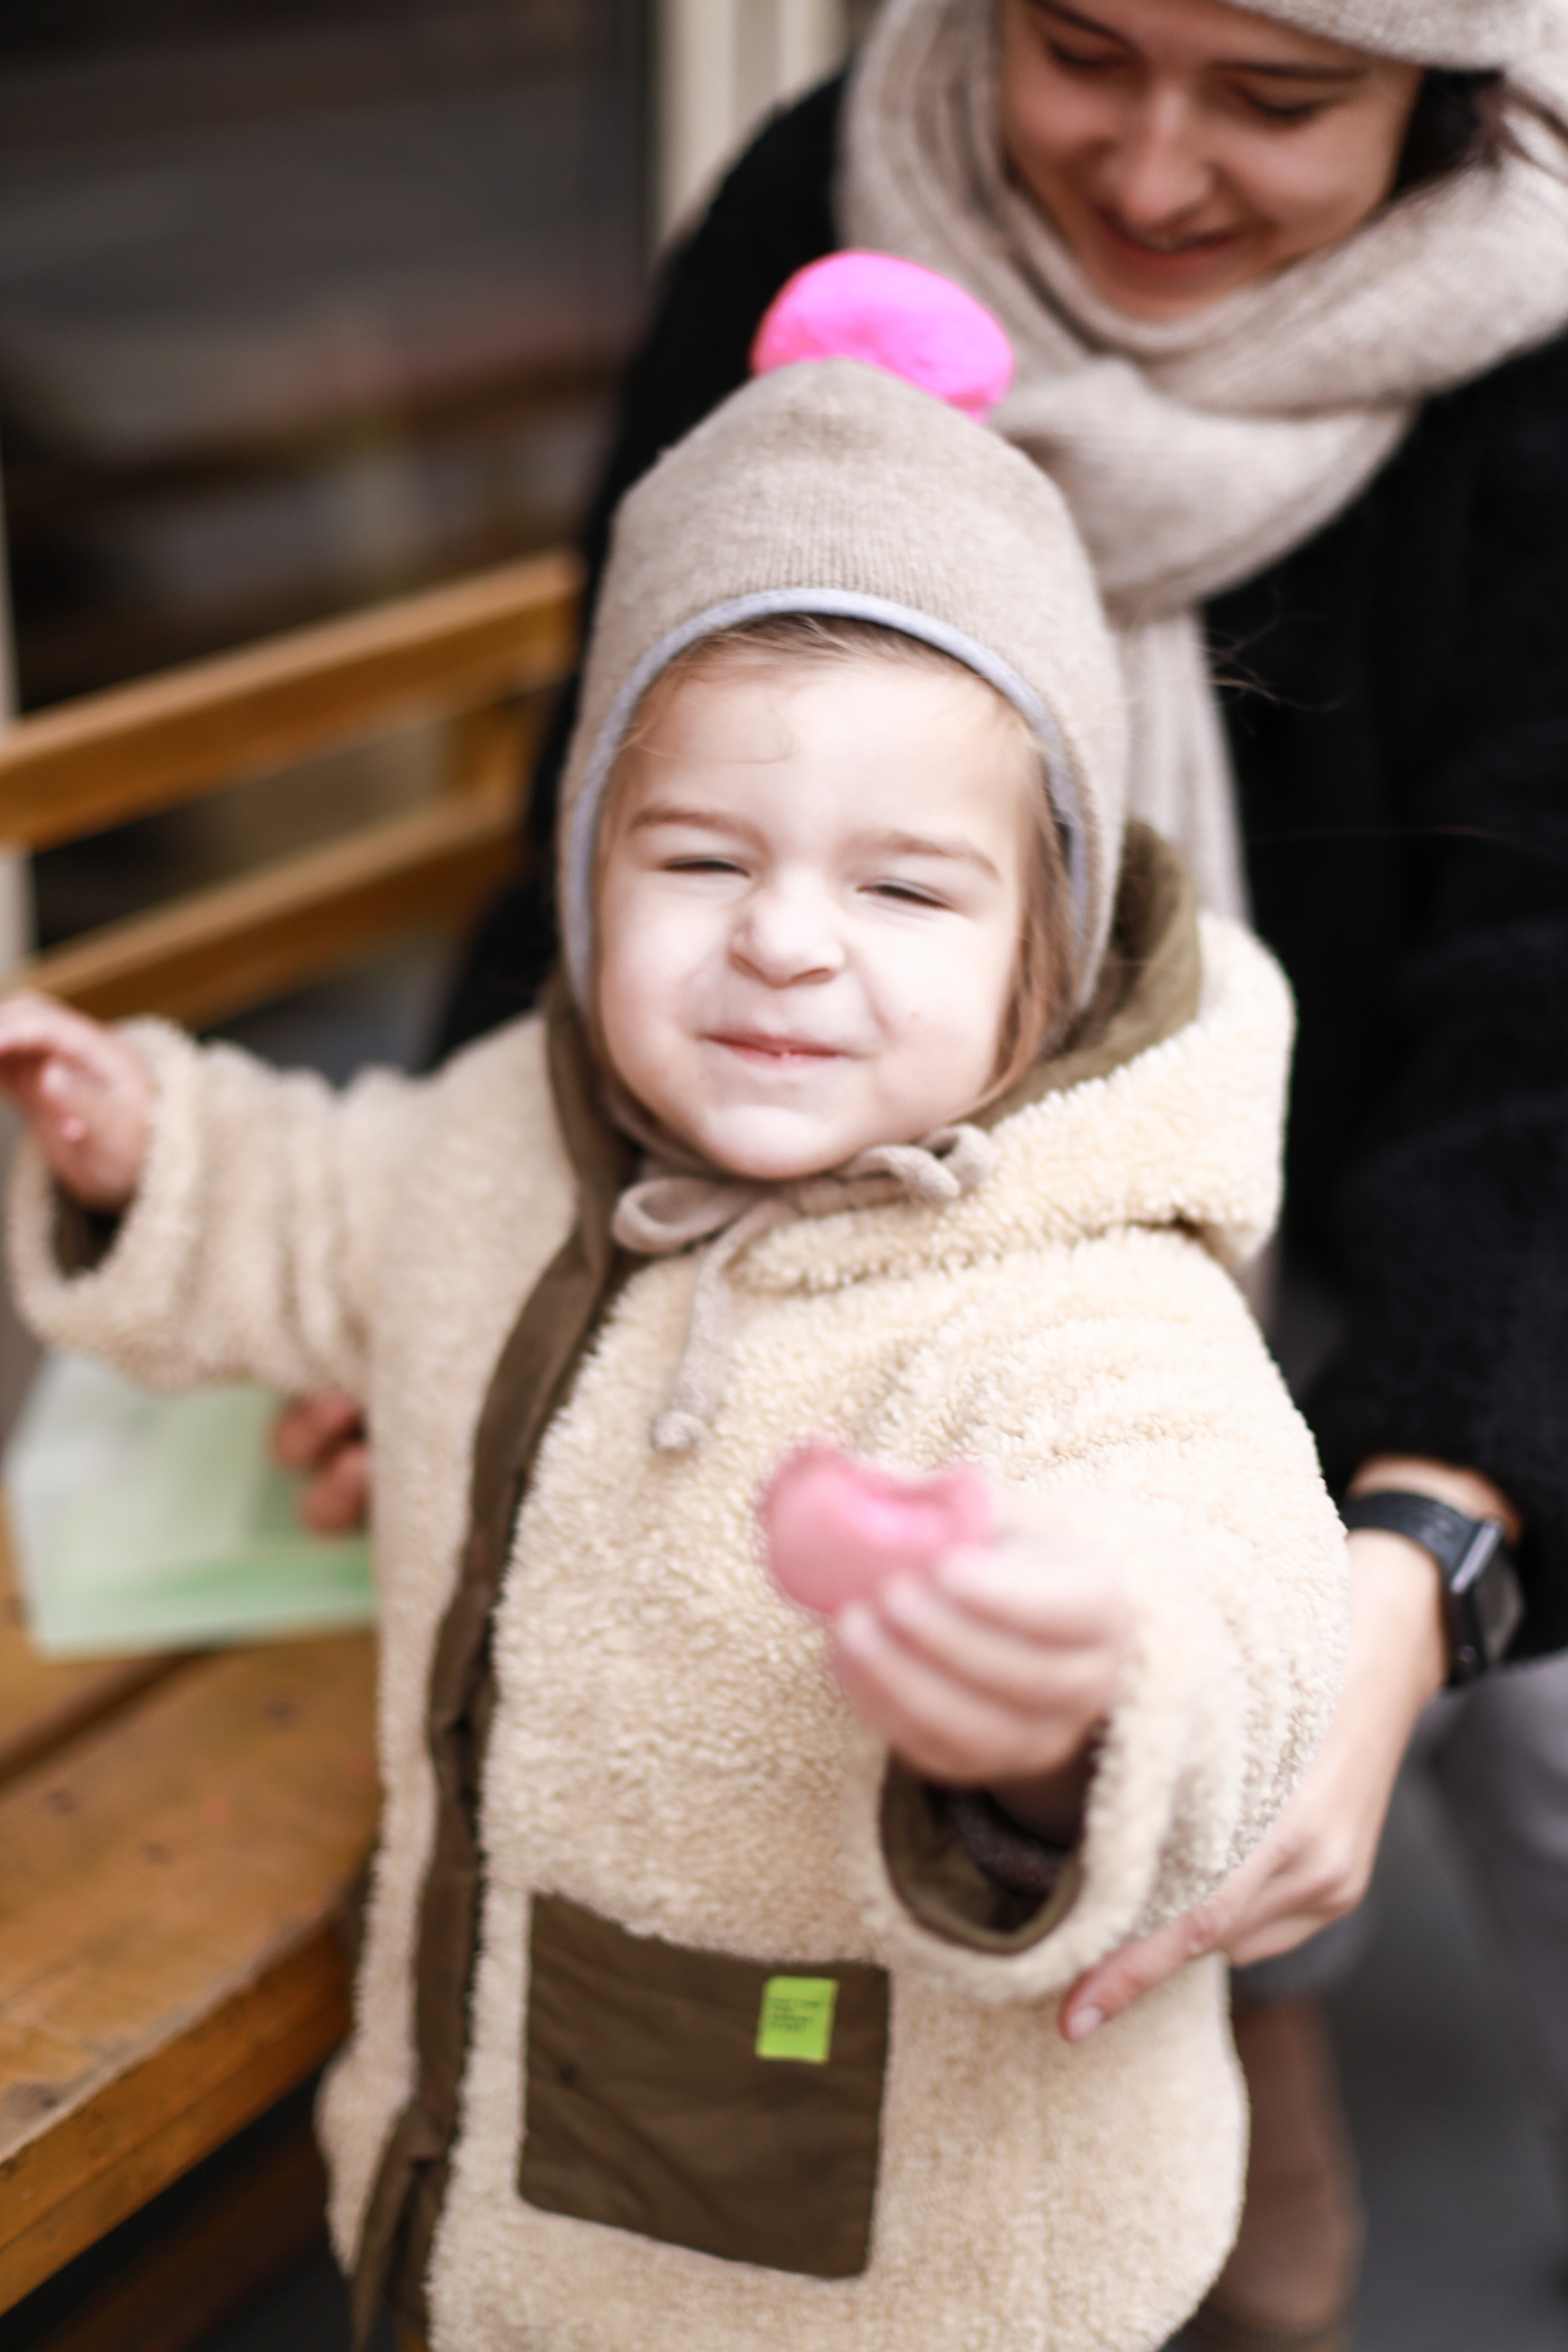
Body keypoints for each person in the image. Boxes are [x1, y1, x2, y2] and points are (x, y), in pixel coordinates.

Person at [292, 2, 1562, 2343]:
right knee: (1079, 1775)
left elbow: (1550, 1019)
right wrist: (502, 1302)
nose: (1157, 167)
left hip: (1455, 1234)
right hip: (893, 1229)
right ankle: (1227, 2113)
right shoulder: (821, 193)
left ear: (1453, 98)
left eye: (1279, 103)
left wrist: (1434, 1545)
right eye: (1084, 52)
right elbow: (639, 760)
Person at [0, 315, 1348, 2351]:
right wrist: (149, 1148)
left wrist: (1078, 1711)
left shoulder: (1081, 1299)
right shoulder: (497, 1143)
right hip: (502, 2152)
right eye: (701, 858)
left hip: (892, 2254)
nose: (786, 938)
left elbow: (1224, 1575)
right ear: (584, 872)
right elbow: (317, 1202)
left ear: (1044, 959)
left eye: (906, 890)